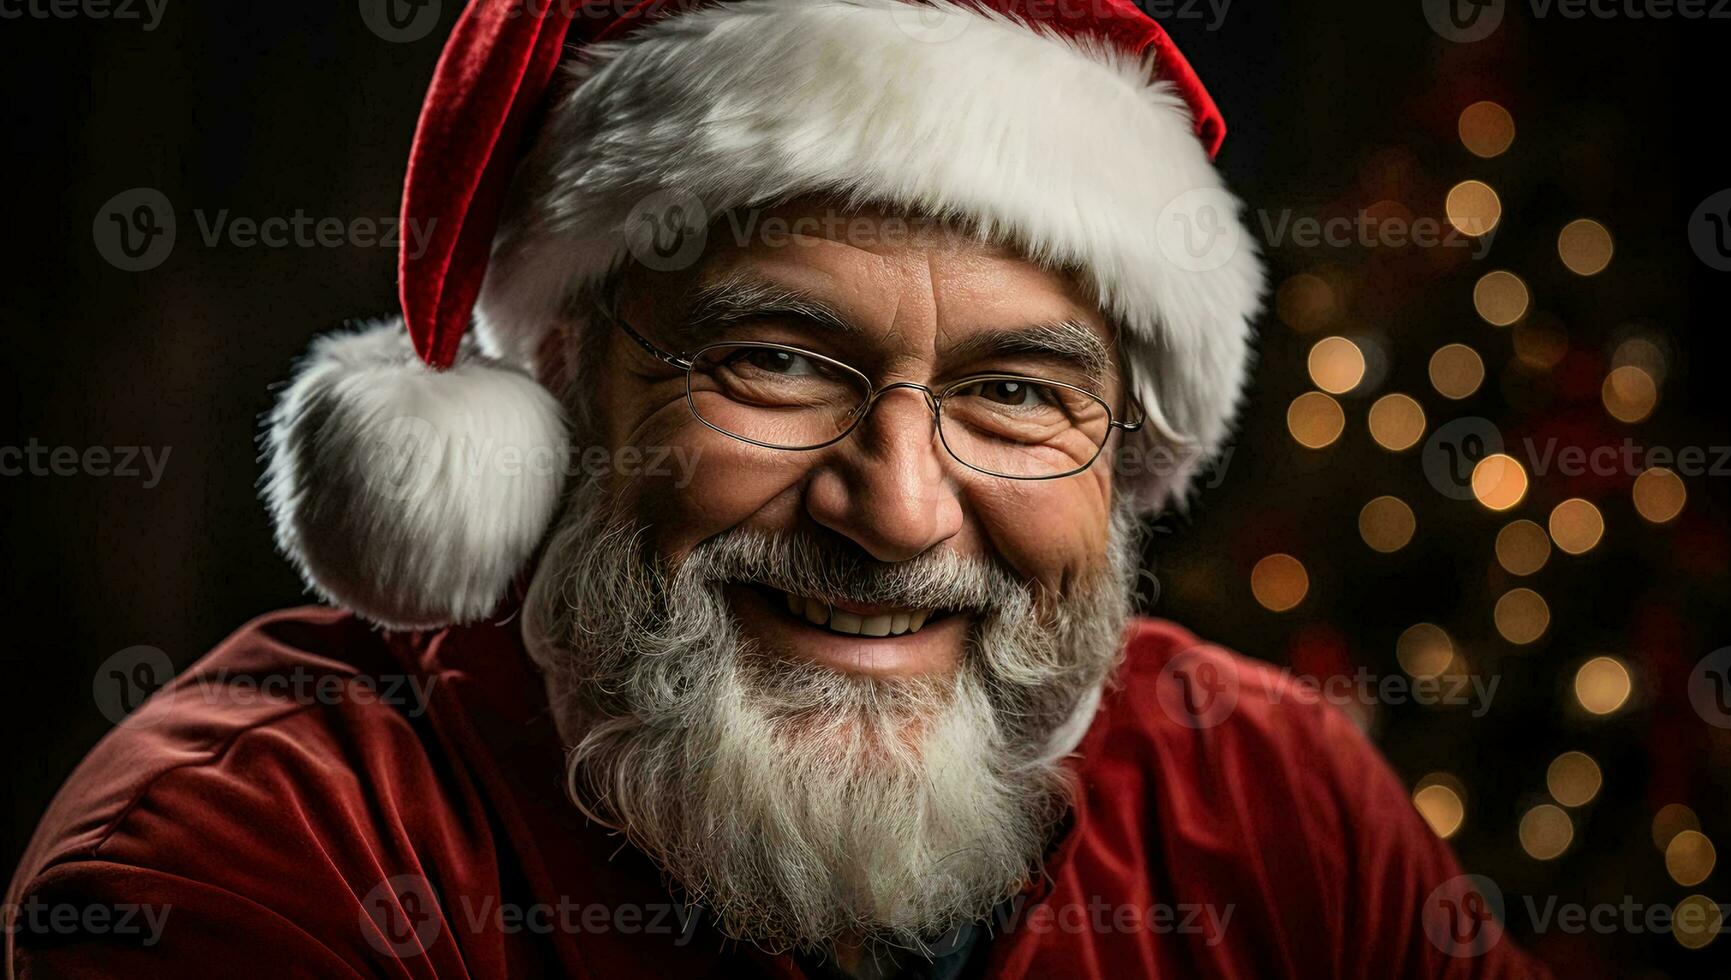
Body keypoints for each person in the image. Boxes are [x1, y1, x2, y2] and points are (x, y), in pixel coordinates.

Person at [8, 1, 1547, 976]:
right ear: (548, 398)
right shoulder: (263, 859)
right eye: (776, 363)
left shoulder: (1273, 799)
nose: (896, 513)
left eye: (1017, 393)